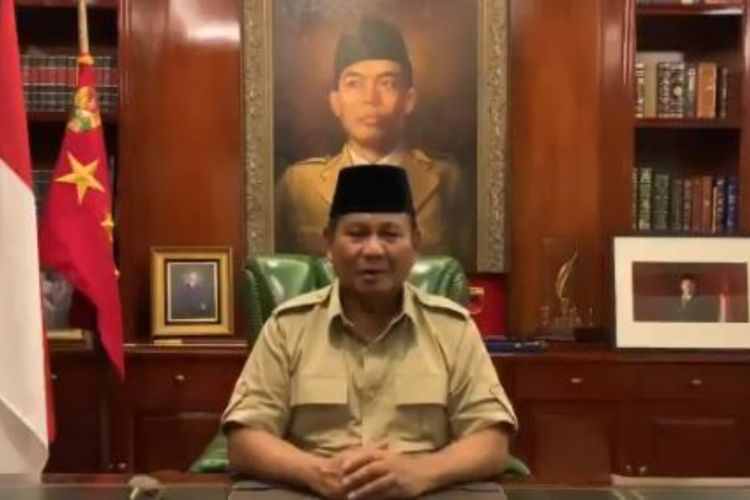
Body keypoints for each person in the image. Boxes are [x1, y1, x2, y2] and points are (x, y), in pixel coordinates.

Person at [224, 165, 516, 499]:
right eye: (357, 234)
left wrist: (420, 473)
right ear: (329, 243)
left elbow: (492, 441)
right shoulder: (287, 328)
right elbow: (244, 438)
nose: (373, 250)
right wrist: (315, 472)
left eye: (390, 234)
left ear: (415, 243)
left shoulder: (453, 330)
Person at [275, 16, 468, 263]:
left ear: (408, 99)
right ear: (335, 101)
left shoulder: (445, 180)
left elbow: (464, 272)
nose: (370, 99)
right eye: (354, 83)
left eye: (387, 83)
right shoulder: (300, 185)